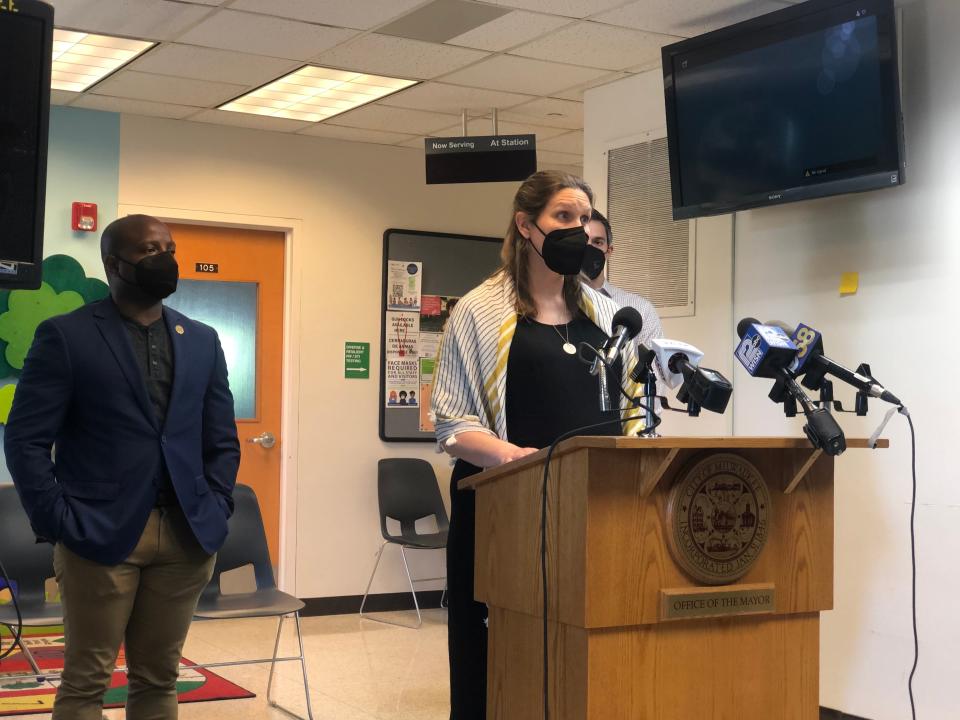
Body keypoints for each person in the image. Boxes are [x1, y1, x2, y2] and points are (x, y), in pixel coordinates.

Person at [4, 214, 240, 720]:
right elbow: (25, 440)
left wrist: (217, 505)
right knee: (87, 681)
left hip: (186, 535)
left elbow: (220, 438)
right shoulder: (66, 336)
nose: (166, 259)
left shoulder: (201, 339)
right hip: (98, 534)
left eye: (170, 247)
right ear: (114, 263)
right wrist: (58, 521)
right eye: (151, 250)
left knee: (159, 679)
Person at [431, 171, 642, 720]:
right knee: (497, 664)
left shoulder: (604, 316)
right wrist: (517, 459)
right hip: (508, 513)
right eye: (563, 218)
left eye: (583, 219)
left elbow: (632, 410)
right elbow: (452, 424)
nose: (577, 229)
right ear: (526, 226)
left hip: (593, 515)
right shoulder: (479, 312)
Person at [582, 209, 663, 347]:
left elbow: (653, 366)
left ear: (609, 251)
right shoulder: (552, 303)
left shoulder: (641, 310)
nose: (589, 247)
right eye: (582, 240)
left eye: (598, 242)